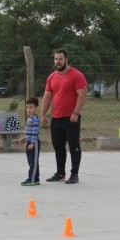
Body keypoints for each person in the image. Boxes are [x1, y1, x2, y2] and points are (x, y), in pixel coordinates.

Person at [41, 49, 88, 184]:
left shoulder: (76, 75)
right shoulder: (51, 77)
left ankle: (74, 174)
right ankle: (60, 173)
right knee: (58, 146)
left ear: (66, 60)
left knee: (74, 145)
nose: (58, 61)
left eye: (60, 59)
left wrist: (76, 112)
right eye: (56, 59)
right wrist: (43, 114)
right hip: (56, 117)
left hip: (71, 117)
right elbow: (47, 96)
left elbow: (82, 95)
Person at [18, 97, 41, 186]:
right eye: (27, 107)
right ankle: (36, 178)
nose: (28, 109)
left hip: (33, 143)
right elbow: (30, 132)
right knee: (32, 161)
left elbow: (35, 133)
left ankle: (31, 179)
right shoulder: (30, 118)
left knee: (33, 162)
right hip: (29, 142)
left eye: (31, 107)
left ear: (36, 107)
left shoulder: (35, 119)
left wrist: (32, 143)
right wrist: (24, 138)